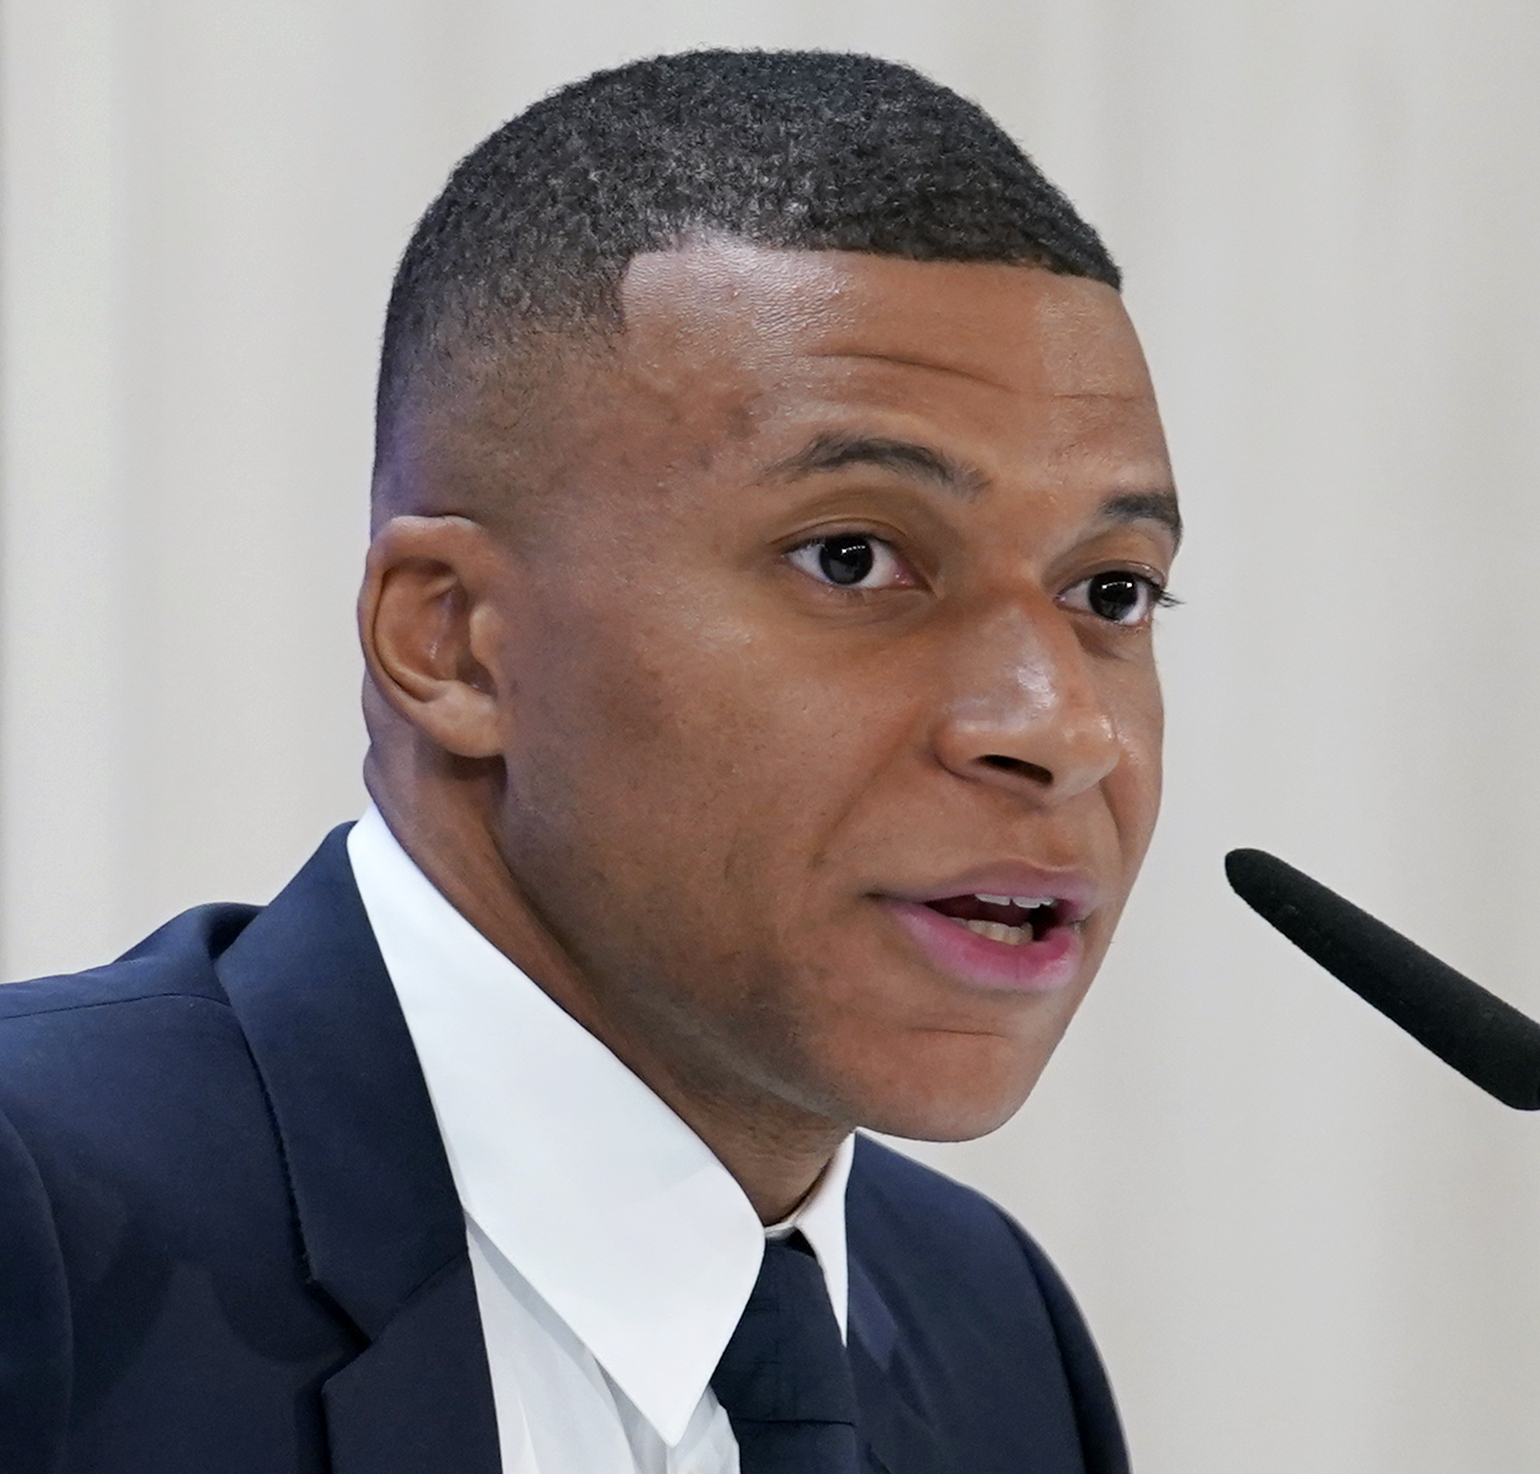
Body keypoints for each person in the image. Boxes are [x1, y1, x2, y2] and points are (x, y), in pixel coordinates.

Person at [0, 48, 1177, 1474]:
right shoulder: (45, 1225)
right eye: (854, 558)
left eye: (1111, 590)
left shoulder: (989, 1331)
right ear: (453, 645)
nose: (1058, 726)